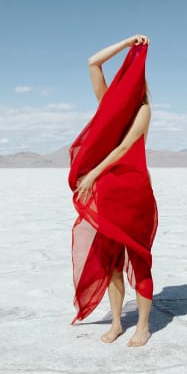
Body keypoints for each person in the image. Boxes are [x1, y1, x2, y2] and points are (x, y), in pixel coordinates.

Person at [68, 34, 158, 347]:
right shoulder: (110, 106)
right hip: (108, 195)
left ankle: (143, 326)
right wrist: (127, 44)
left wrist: (92, 173)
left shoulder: (143, 111)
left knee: (138, 258)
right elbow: (94, 61)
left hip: (133, 195)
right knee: (112, 264)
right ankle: (118, 323)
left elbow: (122, 150)